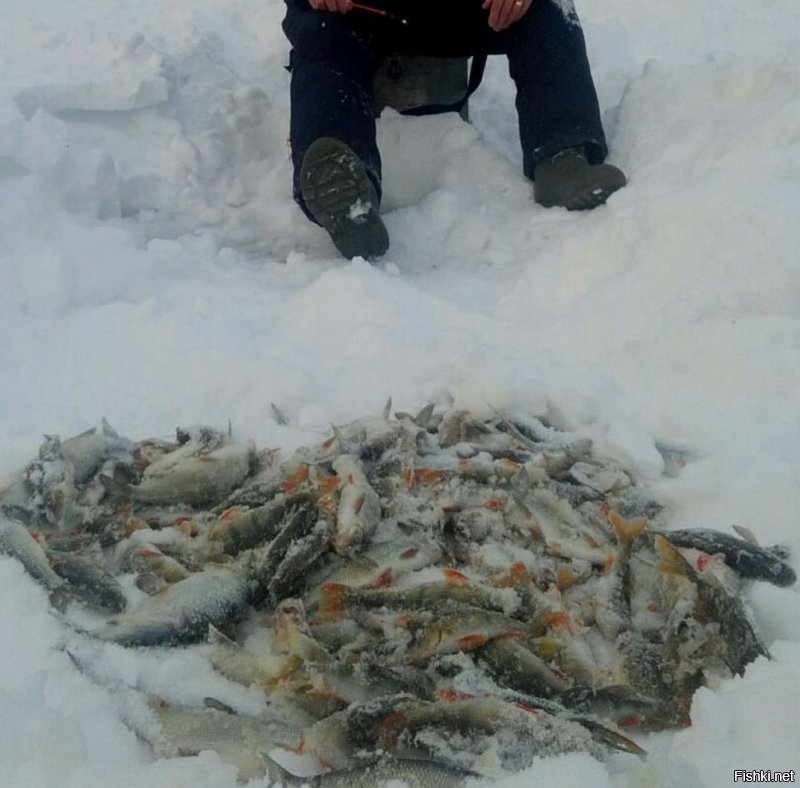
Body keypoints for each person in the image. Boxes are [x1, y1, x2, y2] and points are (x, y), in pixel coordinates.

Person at [282, 0, 626, 259]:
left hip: (461, 10)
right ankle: (343, 191)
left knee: (548, 9)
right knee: (321, 33)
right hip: (355, 13)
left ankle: (563, 154)